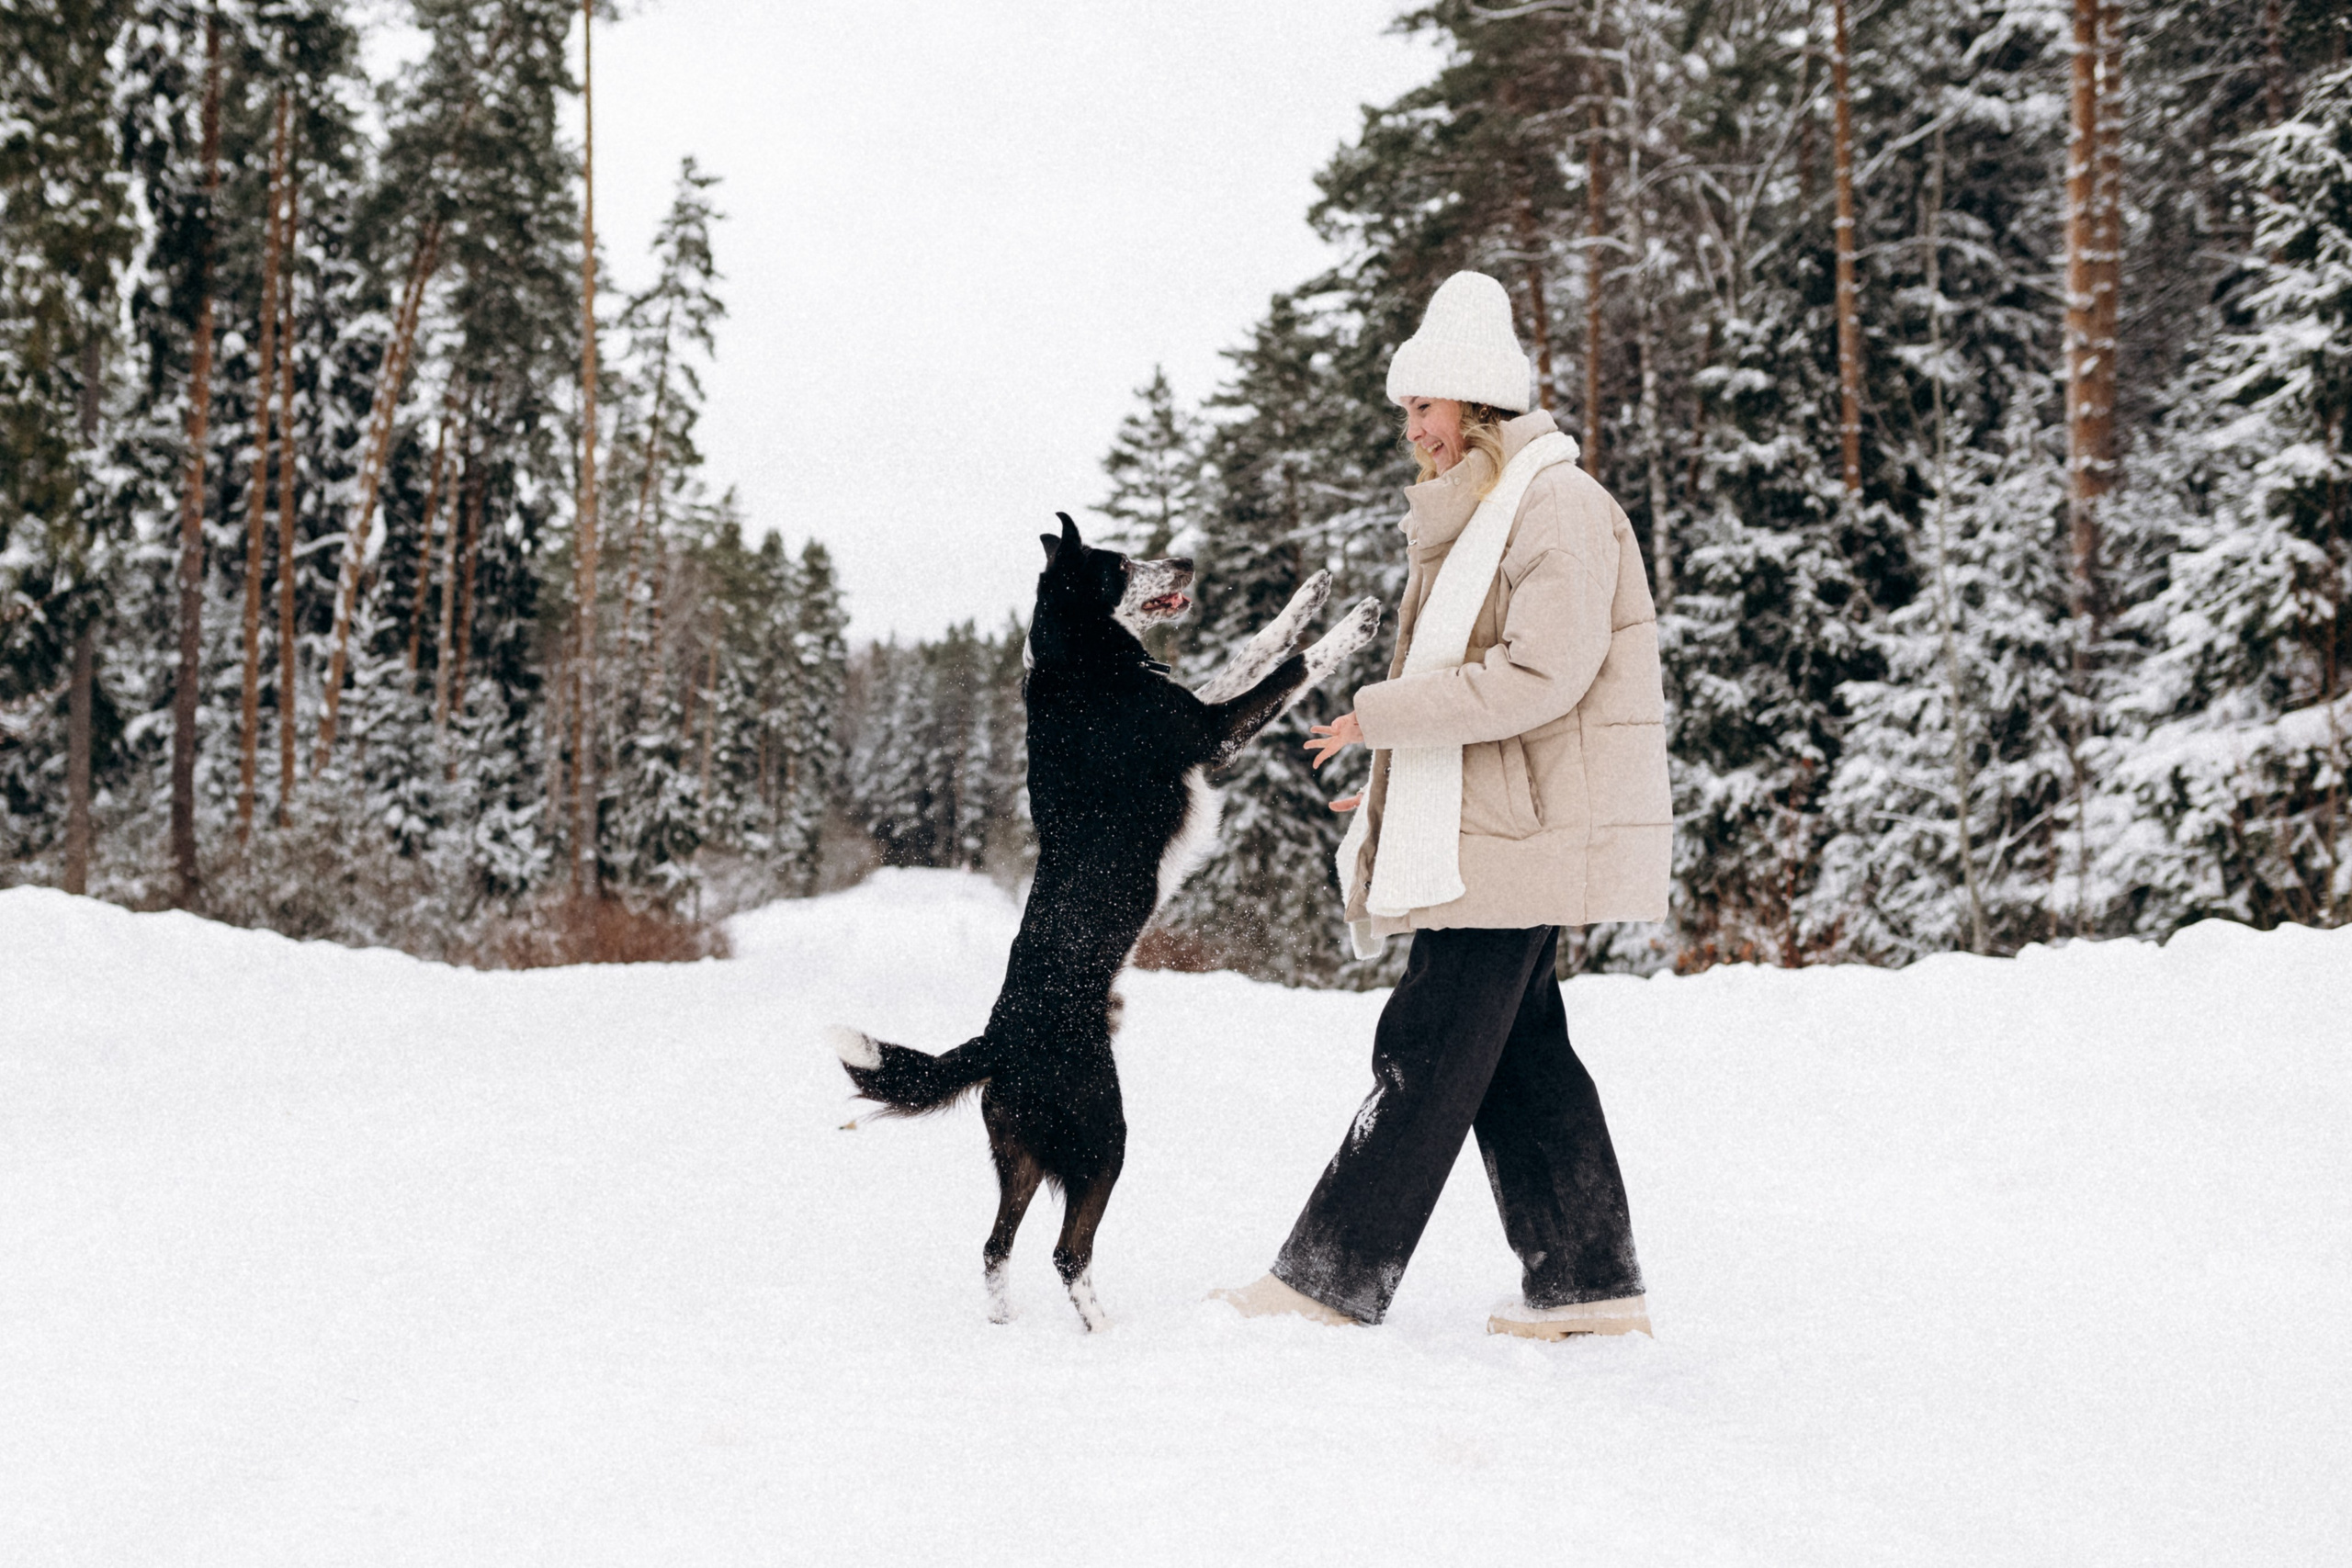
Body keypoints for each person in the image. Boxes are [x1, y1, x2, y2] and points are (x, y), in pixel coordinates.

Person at [1211, 271, 1670, 1338]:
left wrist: (1380, 718)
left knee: (1425, 1048)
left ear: (1474, 400)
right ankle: (1591, 1287)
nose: (1410, 427)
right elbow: (1483, 686)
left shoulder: (1555, 505)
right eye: (1406, 409)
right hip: (1500, 822)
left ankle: (1326, 1281)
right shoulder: (1487, 511)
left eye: (1422, 405)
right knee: (1522, 1059)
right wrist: (1393, 779)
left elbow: (1538, 677)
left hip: (1519, 831)